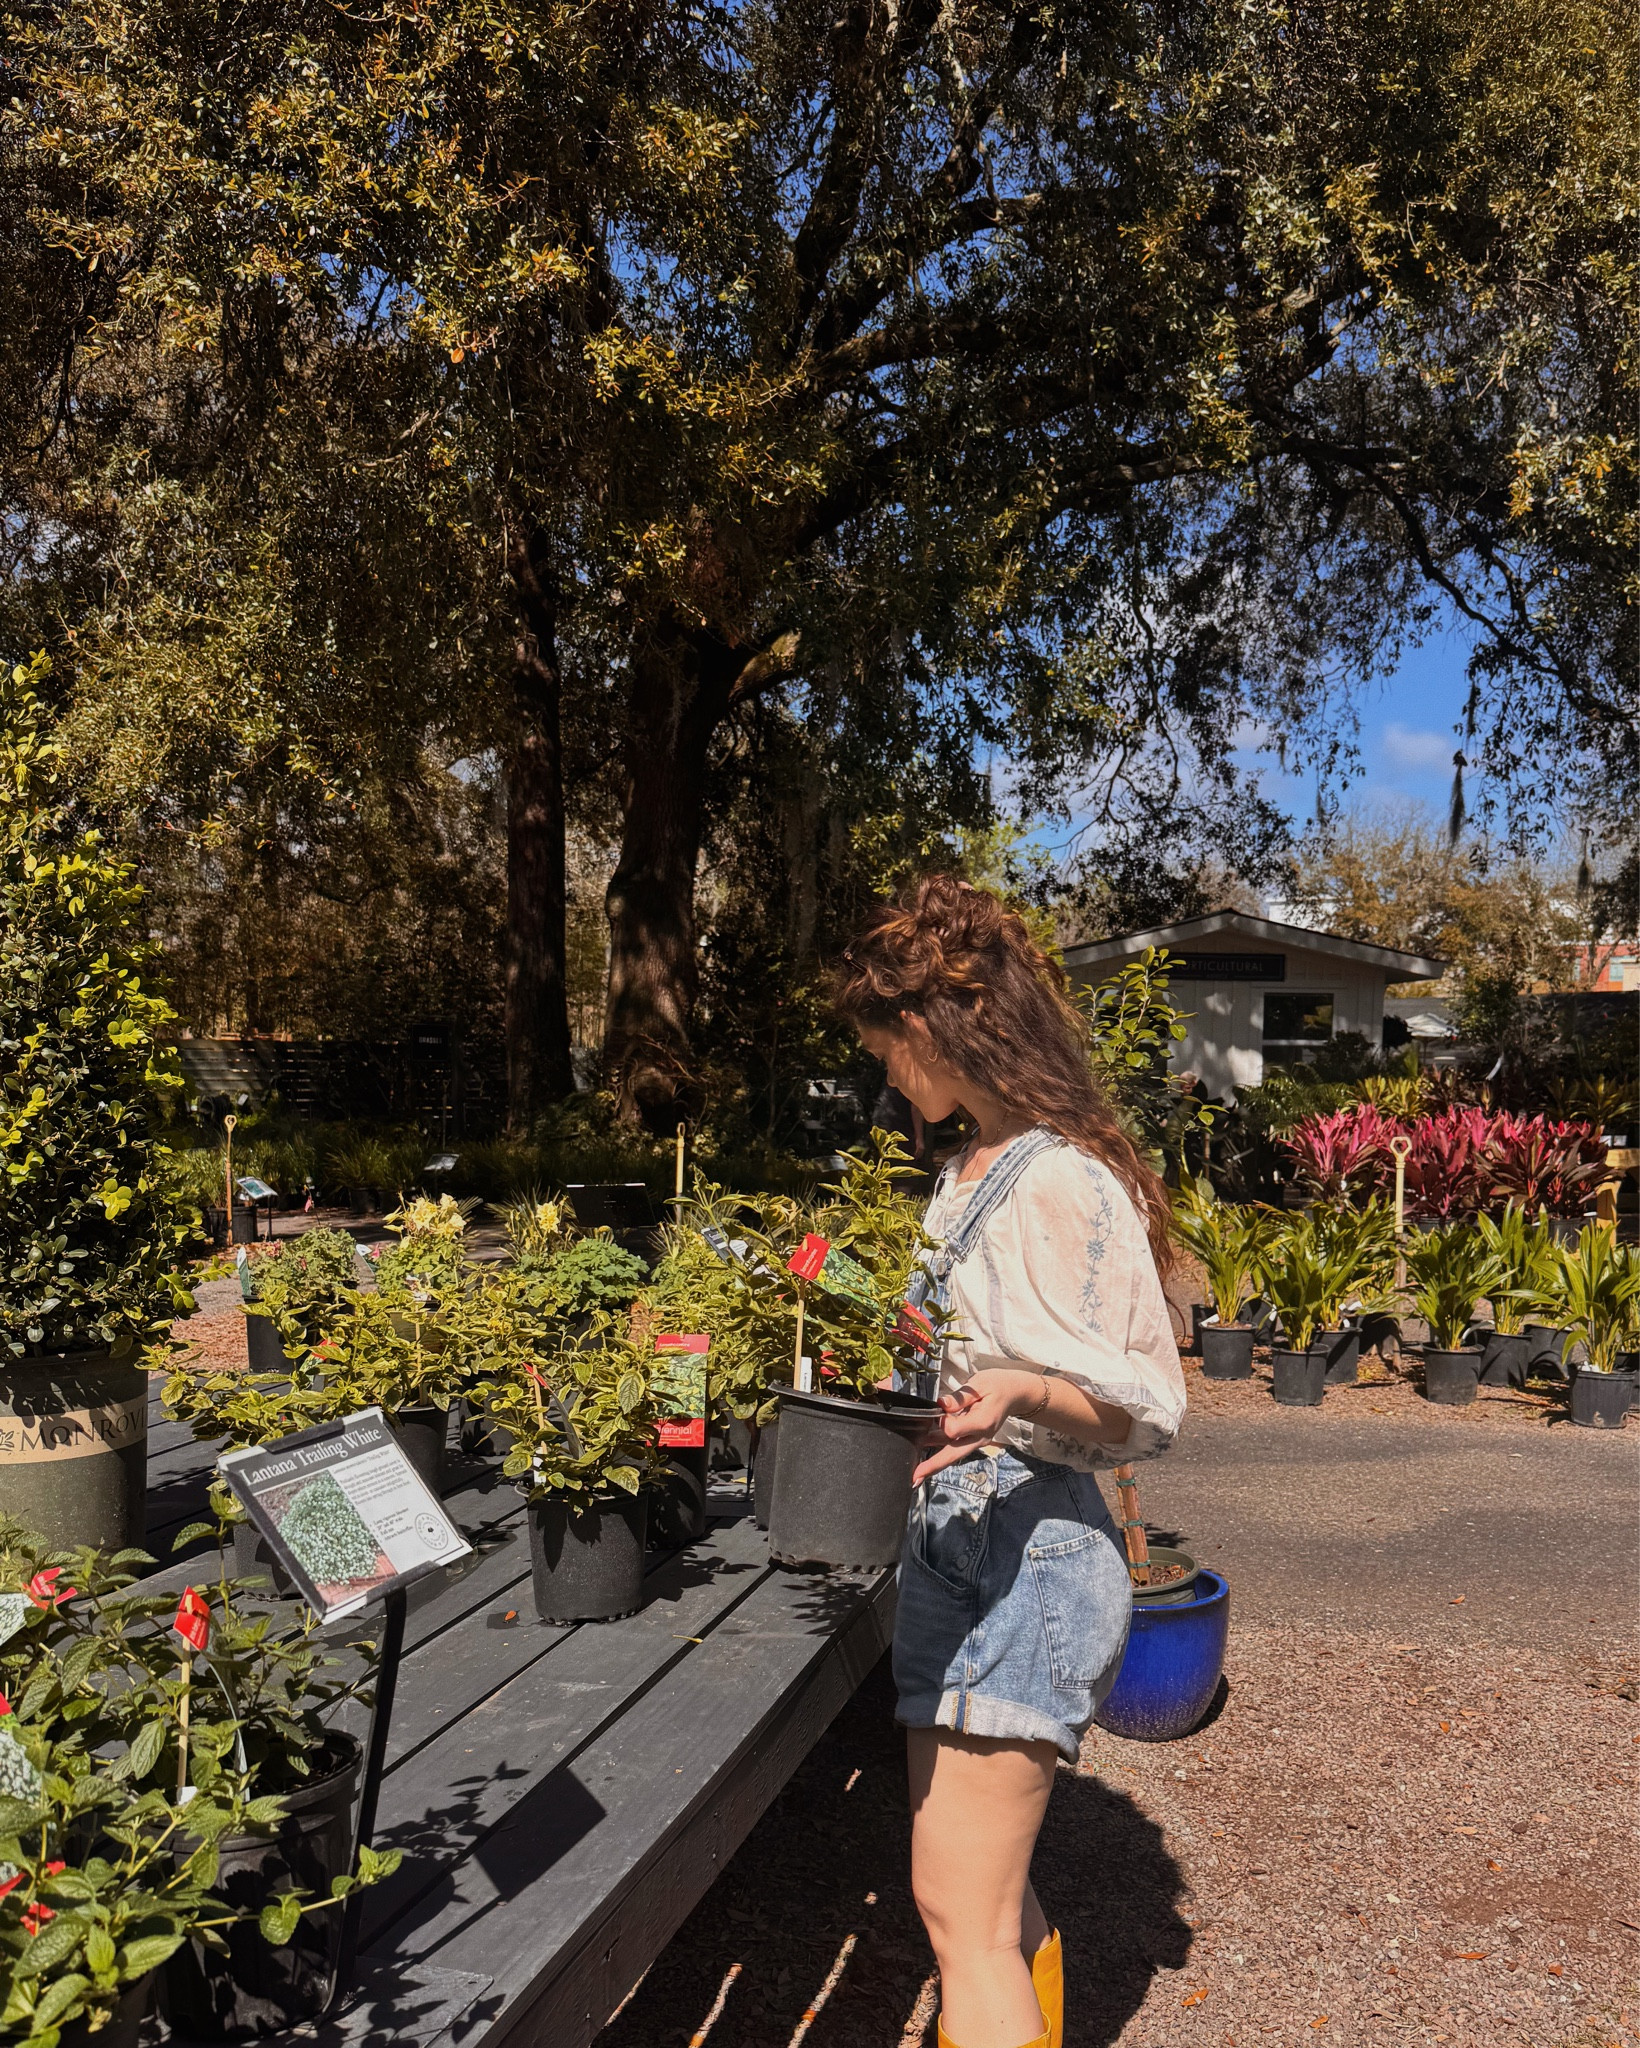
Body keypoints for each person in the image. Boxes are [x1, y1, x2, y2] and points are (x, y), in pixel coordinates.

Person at [834, 875, 1186, 2048]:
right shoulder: (968, 1169)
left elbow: (1144, 1401)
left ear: (930, 1028)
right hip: (968, 1540)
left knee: (959, 1913)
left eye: (885, 1045)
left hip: (1025, 1552)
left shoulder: (1057, 1176)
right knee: (984, 1902)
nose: (884, 1072)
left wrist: (1022, 1389)